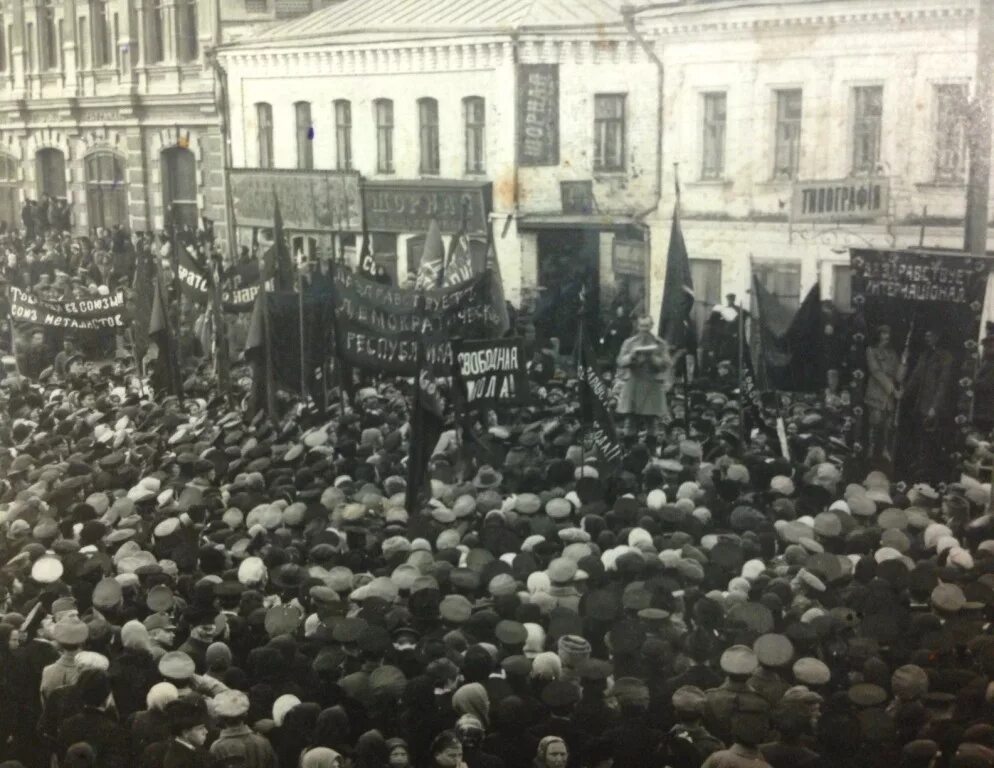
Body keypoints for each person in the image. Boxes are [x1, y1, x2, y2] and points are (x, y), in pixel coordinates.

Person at [902, 329, 953, 478]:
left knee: (931, 439)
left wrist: (934, 407)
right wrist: (903, 395)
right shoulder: (925, 355)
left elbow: (943, 384)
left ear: (938, 336)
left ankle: (928, 471)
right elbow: (915, 377)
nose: (927, 337)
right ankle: (920, 466)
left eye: (930, 335)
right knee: (920, 436)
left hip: (934, 407)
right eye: (926, 335)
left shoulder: (946, 357)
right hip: (921, 404)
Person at [615, 315, 672, 434]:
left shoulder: (660, 343)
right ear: (638, 326)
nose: (644, 329)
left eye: (647, 326)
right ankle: (629, 446)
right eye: (642, 326)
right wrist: (632, 357)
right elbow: (620, 361)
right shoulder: (629, 342)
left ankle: (651, 448)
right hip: (634, 382)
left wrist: (653, 358)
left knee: (652, 421)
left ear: (652, 326)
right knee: (630, 420)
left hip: (652, 383)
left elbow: (667, 363)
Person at [865, 324, 901, 462]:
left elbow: (898, 375)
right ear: (878, 335)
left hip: (889, 396)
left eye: (888, 334)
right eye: (884, 333)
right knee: (875, 422)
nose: (887, 336)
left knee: (888, 425)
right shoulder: (871, 351)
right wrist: (893, 389)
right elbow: (876, 372)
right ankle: (871, 449)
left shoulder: (892, 353)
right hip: (876, 392)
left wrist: (904, 363)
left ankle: (885, 450)